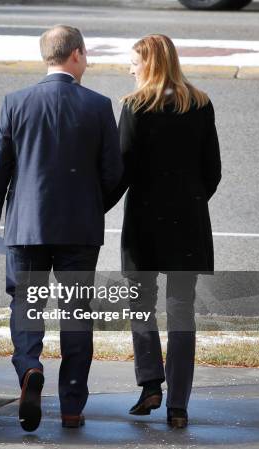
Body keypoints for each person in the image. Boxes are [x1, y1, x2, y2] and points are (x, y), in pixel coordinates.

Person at [0, 25, 123, 432]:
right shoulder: (98, 105)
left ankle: (29, 367)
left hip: (27, 226)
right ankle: (73, 405)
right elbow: (113, 172)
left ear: (47, 57)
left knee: (26, 305)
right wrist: (92, 207)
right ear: (76, 55)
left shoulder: (16, 102)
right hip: (79, 228)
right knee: (76, 313)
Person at [106, 34, 222, 428]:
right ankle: (178, 405)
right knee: (181, 311)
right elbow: (213, 170)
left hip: (144, 219)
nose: (130, 68)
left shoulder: (136, 106)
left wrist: (94, 207)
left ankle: (150, 382)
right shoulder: (200, 103)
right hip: (189, 221)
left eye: (134, 62)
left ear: (150, 64)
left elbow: (123, 169)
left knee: (139, 303)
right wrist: (189, 201)